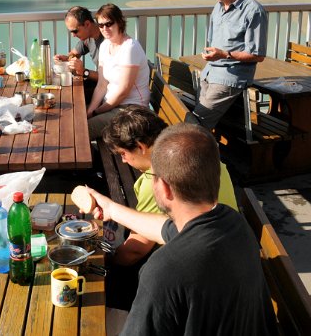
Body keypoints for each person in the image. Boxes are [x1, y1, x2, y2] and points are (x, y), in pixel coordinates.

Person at [87, 123, 277, 335]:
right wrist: (111, 209)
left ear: (165, 188)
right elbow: (165, 228)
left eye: (153, 177)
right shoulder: (232, 223)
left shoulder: (164, 270)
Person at [101, 105, 238, 310]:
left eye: (123, 153)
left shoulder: (157, 180)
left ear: (140, 146)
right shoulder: (202, 156)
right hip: (227, 250)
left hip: (198, 276)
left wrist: (105, 262)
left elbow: (135, 251)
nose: (123, 160)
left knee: (114, 284)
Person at [195, 0, 267, 129]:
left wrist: (224, 54)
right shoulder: (218, 7)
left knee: (196, 124)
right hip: (209, 73)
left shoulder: (253, 11)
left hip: (229, 79)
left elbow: (258, 55)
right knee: (202, 122)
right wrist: (214, 54)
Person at [86, 3, 150, 140]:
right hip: (112, 106)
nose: (104, 28)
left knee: (81, 130)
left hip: (131, 110)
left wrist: (97, 111)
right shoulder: (105, 46)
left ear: (120, 22)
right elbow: (102, 85)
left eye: (109, 24)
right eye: (101, 25)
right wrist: (90, 111)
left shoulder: (130, 48)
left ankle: (90, 160)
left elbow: (123, 91)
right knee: (77, 119)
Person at [54, 6, 104, 101]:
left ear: (87, 24)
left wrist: (84, 71)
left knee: (71, 97)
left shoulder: (108, 41)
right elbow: (74, 53)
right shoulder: (88, 37)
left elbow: (109, 78)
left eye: (75, 31)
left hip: (108, 89)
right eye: (71, 32)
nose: (73, 35)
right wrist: (66, 58)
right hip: (99, 83)